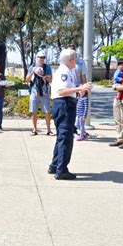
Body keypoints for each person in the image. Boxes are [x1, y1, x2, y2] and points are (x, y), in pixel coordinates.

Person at [48, 48, 93, 180]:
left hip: (65, 104)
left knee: (62, 137)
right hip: (64, 104)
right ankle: (61, 170)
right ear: (70, 59)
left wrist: (81, 89)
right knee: (66, 138)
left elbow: (69, 89)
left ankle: (55, 165)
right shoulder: (64, 71)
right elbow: (61, 91)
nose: (77, 61)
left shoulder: (69, 71)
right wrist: (80, 88)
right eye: (75, 59)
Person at [26, 52, 53, 136]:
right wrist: (32, 72)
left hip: (44, 91)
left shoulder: (47, 67)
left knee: (47, 111)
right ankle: (34, 129)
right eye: (40, 57)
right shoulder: (32, 67)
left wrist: (43, 74)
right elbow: (27, 79)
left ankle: (49, 130)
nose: (42, 59)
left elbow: (50, 79)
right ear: (36, 58)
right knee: (34, 111)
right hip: (34, 91)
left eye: (43, 57)